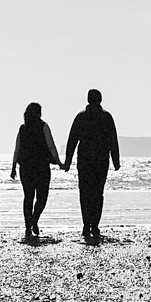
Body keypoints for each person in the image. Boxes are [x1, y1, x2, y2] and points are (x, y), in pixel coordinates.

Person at [62, 88, 119, 243]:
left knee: (85, 193)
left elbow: (72, 140)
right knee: (98, 193)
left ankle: (86, 224)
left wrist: (68, 161)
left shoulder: (81, 117)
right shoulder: (106, 117)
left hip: (85, 161)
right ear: (100, 100)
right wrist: (116, 160)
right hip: (100, 162)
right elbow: (113, 139)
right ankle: (94, 225)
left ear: (88, 99)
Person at [10, 102, 61, 240]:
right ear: (39, 113)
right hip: (41, 168)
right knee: (42, 197)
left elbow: (17, 148)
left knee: (28, 197)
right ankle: (34, 220)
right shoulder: (44, 126)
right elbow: (51, 145)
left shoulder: (23, 128)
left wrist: (14, 166)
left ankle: (28, 225)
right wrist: (59, 162)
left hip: (26, 168)